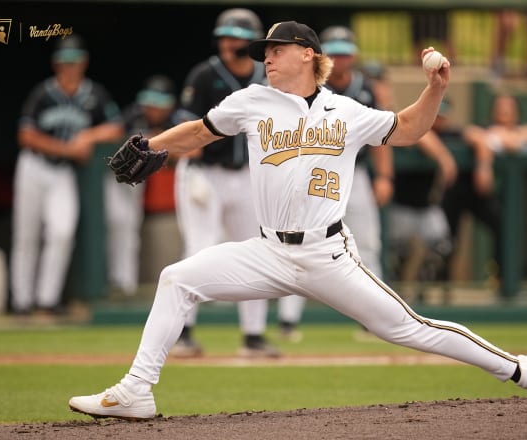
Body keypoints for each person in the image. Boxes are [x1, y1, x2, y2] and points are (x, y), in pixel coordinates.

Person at [68, 21, 527, 420]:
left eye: (274, 50)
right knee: (177, 278)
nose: (266, 58)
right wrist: (152, 146)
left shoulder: (345, 111)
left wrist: (434, 89)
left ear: (306, 54)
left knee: (411, 329)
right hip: (268, 251)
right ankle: (137, 390)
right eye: (263, 52)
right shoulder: (251, 100)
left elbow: (407, 130)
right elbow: (202, 131)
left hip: (328, 255)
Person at [275, 25, 396, 341]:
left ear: (353, 56)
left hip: (355, 174)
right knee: (297, 242)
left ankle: (374, 318)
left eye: (345, 53)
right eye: (335, 53)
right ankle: (288, 320)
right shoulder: (306, 86)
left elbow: (383, 135)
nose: (340, 59)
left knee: (367, 244)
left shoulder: (365, 88)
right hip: (313, 173)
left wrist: (384, 176)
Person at [171, 8, 280, 357]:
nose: (227, 43)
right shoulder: (205, 75)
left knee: (259, 250)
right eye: (224, 36)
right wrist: (192, 168)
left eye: (235, 37)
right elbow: (188, 126)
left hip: (249, 176)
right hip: (206, 173)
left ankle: (253, 336)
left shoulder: (269, 76)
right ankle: (183, 333)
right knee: (199, 247)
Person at [11, 34, 124, 315]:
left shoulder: (93, 94)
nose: (69, 67)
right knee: (27, 235)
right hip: (34, 167)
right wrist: (68, 149)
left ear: (83, 63)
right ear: (56, 64)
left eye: (74, 62)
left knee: (61, 231)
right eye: (64, 62)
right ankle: (21, 301)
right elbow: (26, 135)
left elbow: (116, 127)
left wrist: (88, 135)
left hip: (62, 173)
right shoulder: (43, 93)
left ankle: (47, 299)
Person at [442, 93, 527, 289]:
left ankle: (501, 278)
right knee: (447, 239)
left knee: (504, 226)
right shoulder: (484, 128)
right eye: (500, 107)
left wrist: (519, 137)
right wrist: (485, 163)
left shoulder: (524, 130)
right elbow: (481, 137)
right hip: (461, 189)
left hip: (484, 195)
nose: (504, 112)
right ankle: (442, 284)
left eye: (509, 108)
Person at [104, 75, 178, 296]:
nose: (152, 109)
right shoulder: (133, 116)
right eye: (150, 103)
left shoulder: (175, 121)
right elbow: (110, 133)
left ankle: (125, 284)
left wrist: (159, 142)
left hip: (150, 185)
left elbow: (189, 147)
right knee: (119, 226)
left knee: (129, 231)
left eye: (158, 104)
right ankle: (119, 284)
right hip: (124, 182)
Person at [386, 98, 458, 296]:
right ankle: (395, 292)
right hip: (402, 206)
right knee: (396, 253)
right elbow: (420, 135)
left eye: (442, 116)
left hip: (428, 207)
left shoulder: (450, 134)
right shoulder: (412, 127)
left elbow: (476, 135)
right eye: (435, 115)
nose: (438, 120)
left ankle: (424, 287)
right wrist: (444, 157)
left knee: (442, 246)